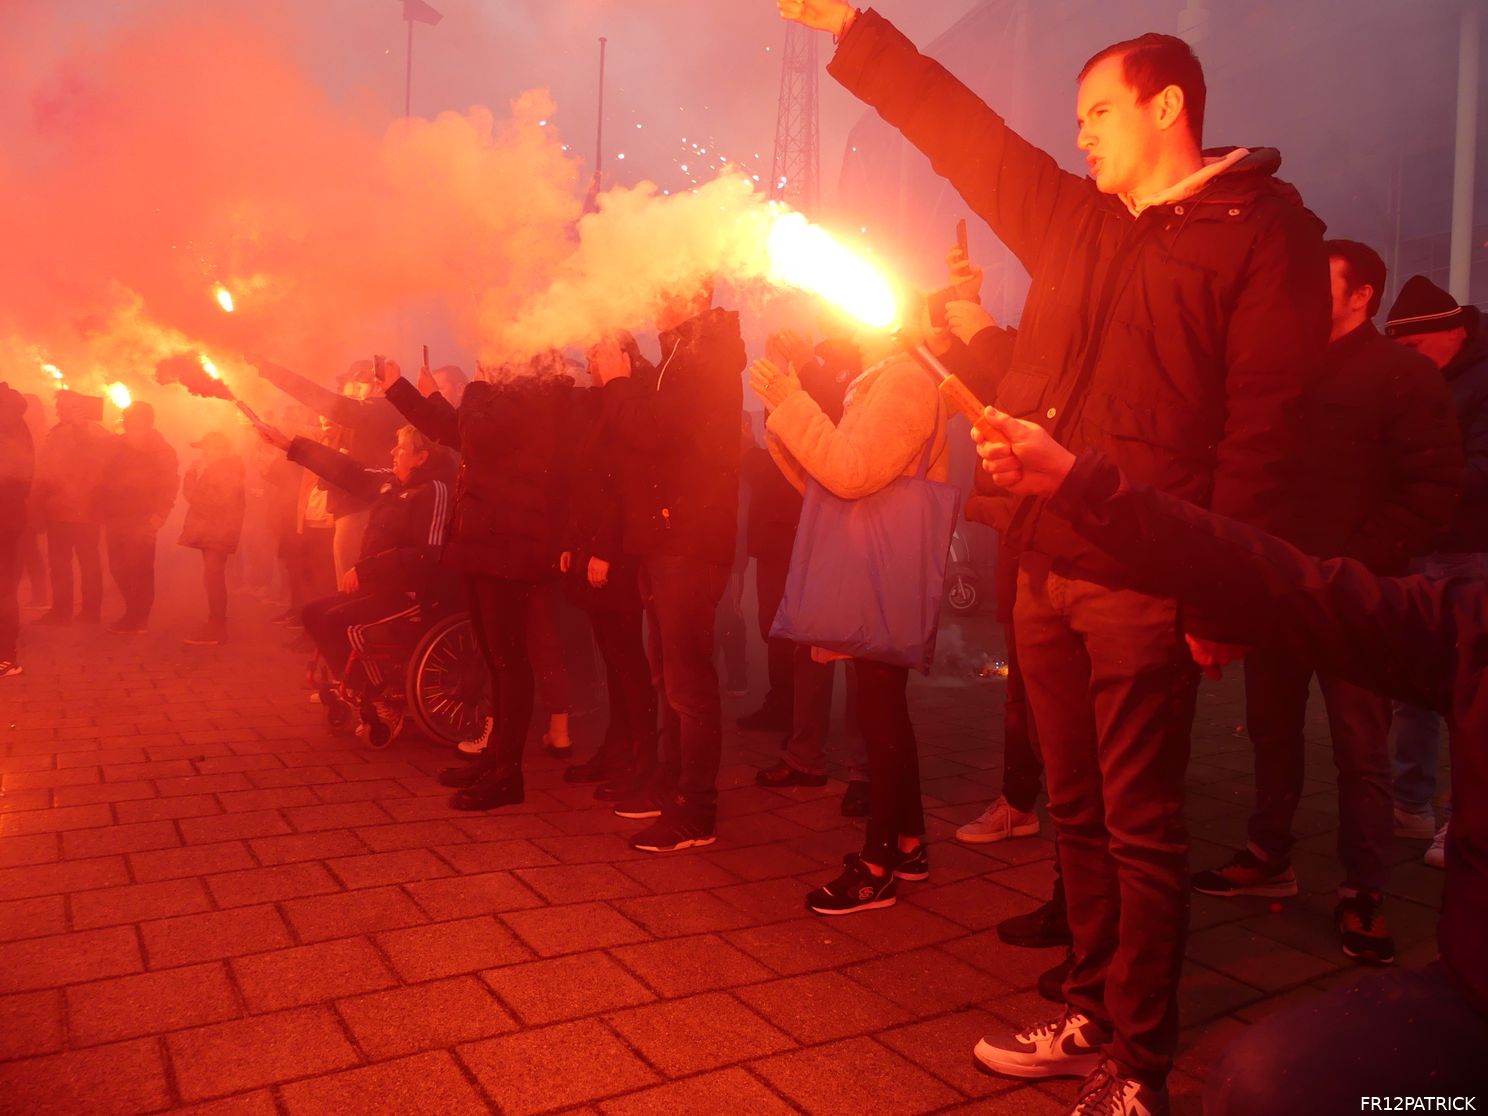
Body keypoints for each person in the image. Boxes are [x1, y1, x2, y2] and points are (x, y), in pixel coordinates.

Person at [779, 5, 1329, 1106]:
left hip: (1147, 575)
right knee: (1074, 813)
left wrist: (1223, 592)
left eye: (1098, 113)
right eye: (1076, 119)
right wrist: (856, 29)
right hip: (1048, 558)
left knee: (1142, 827)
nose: (1080, 135)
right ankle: (1090, 1008)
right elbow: (966, 134)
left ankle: (1140, 1064)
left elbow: (1267, 429)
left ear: (1167, 108)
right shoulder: (1081, 220)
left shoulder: (1262, 234)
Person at [970, 406, 1488, 1112]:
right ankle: (1098, 1013)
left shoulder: (1400, 393)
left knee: (1336, 761)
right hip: (1472, 992)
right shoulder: (1470, 626)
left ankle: (1353, 899)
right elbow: (1298, 586)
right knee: (1265, 1081)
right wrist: (1076, 481)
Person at [1190, 243, 1462, 966]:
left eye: (1323, 284)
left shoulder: (1403, 375)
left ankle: (1363, 890)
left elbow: (1433, 489)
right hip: (1281, 590)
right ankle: (1268, 854)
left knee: (1361, 749)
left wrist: (1355, 564)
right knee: (1272, 730)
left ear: (1361, 295)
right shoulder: (1284, 370)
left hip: (1360, 597)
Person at [752, 337, 947, 914]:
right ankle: (907, 843)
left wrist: (793, 403)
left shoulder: (904, 379)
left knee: (880, 712)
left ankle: (877, 865)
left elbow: (852, 473)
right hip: (878, 561)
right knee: (885, 710)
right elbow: (828, 478)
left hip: (883, 565)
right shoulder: (881, 379)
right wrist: (786, 405)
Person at [382, 356, 570, 810]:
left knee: (508, 662)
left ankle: (507, 774)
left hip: (508, 546)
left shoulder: (530, 392)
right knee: (495, 659)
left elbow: (478, 433)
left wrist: (478, 386)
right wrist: (402, 390)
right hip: (486, 545)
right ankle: (494, 760)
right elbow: (457, 430)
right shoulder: (505, 395)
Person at [597, 281, 745, 853]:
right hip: (666, 538)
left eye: (666, 287)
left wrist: (617, 383)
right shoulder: (682, 352)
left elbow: (653, 432)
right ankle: (671, 786)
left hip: (688, 539)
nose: (654, 296)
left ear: (691, 291)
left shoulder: (706, 353)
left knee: (687, 684)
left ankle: (695, 811)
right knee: (668, 677)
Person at [255, 420, 455, 739]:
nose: (393, 451)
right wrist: (290, 445)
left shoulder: (435, 491)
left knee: (340, 622)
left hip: (412, 594)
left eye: (401, 447)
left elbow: (428, 555)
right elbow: (349, 471)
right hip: (380, 587)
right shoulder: (391, 482)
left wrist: (366, 569)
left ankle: (380, 698)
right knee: (312, 614)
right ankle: (359, 689)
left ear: (421, 457)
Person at [1383, 275, 1488, 871]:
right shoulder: (1425, 380)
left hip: (1471, 549)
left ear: (1453, 332)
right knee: (1411, 687)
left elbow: (1482, 470)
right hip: (1421, 544)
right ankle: (1409, 805)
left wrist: (1412, 485)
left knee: (1467, 693)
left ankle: (1463, 816)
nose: (1408, 362)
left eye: (1415, 348)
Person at [749, 328, 873, 817]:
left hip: (859, 525)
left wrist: (807, 370)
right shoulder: (822, 362)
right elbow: (788, 435)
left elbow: (841, 434)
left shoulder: (870, 366)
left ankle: (865, 772)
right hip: (812, 520)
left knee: (863, 651)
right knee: (810, 643)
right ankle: (806, 755)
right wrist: (782, 377)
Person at [559, 334, 659, 791]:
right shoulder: (604, 406)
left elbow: (624, 490)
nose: (588, 365)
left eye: (595, 356)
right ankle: (618, 748)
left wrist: (604, 550)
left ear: (622, 358)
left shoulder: (628, 404)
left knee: (627, 661)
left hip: (615, 555)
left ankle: (640, 755)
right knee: (614, 658)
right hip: (593, 548)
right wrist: (573, 542)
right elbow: (584, 484)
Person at [251, 357, 406, 581]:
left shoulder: (382, 410)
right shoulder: (362, 420)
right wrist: (284, 442)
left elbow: (329, 405)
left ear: (375, 384)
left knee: (354, 588)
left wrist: (272, 371)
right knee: (342, 586)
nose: (350, 389)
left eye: (357, 383)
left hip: (362, 511)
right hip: (353, 509)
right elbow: (332, 456)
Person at [98, 402, 179, 635]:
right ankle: (131, 611)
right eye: (126, 418)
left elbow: (169, 484)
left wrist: (159, 515)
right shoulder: (117, 444)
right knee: (117, 567)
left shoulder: (161, 449)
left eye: (131, 418)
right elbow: (101, 467)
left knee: (140, 569)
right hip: (116, 516)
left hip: (143, 517)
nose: (127, 423)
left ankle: (138, 617)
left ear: (145, 421)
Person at [32, 390, 110, 625]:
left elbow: (100, 464)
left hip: (84, 510)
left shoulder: (96, 433)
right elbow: (44, 471)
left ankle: (90, 612)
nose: (58, 411)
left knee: (87, 563)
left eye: (62, 407)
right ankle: (61, 609)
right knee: (60, 564)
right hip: (59, 509)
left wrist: (81, 429)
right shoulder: (57, 433)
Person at [178, 431, 246, 646]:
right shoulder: (222, 469)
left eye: (206, 449)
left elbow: (202, 500)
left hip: (218, 531)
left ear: (219, 449)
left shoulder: (224, 470)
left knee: (213, 579)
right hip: (215, 530)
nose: (203, 454)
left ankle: (217, 628)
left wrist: (191, 477)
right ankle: (215, 624)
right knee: (212, 578)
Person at [0, 382, 34, 678]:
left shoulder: (9, 421)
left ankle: (6, 656)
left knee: (3, 588)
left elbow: (16, 475)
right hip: (8, 517)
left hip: (5, 520)